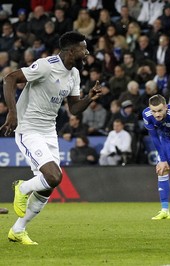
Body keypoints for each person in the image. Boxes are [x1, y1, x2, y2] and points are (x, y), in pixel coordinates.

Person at [0, 31, 102, 245]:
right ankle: (22, 187)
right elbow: (10, 78)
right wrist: (12, 112)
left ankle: (18, 230)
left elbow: (74, 108)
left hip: (48, 131)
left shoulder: (74, 74)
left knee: (47, 186)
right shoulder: (46, 66)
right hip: (28, 128)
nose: (87, 53)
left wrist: (88, 99)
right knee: (54, 176)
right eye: (84, 49)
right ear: (72, 50)